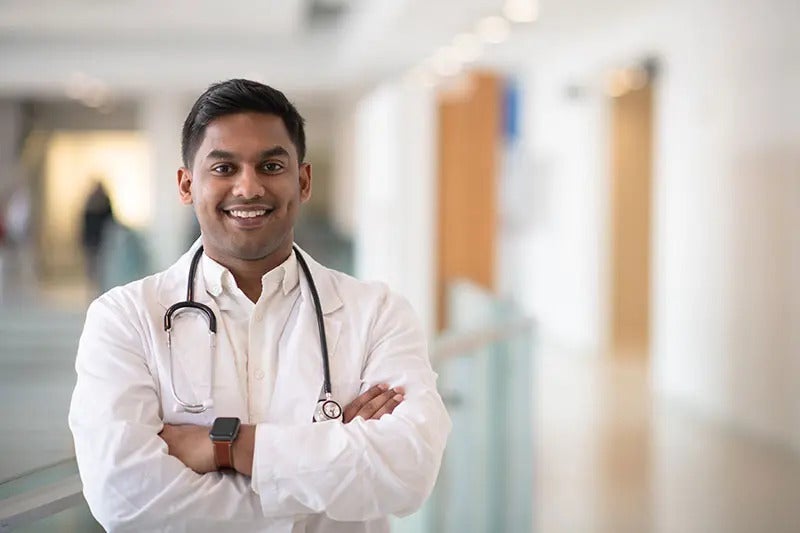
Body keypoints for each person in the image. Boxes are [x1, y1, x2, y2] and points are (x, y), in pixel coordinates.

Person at [68, 79, 451, 532]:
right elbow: (124, 499)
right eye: (224, 168)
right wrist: (328, 467)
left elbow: (407, 472)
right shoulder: (124, 319)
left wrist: (222, 448)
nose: (248, 188)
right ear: (187, 185)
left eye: (270, 165)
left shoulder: (377, 313)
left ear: (302, 180)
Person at [81, 179, 114, 281]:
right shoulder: (91, 201)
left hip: (101, 237)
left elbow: (110, 221)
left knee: (101, 263)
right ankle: (93, 281)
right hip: (93, 237)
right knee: (92, 263)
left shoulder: (104, 201)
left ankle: (99, 282)